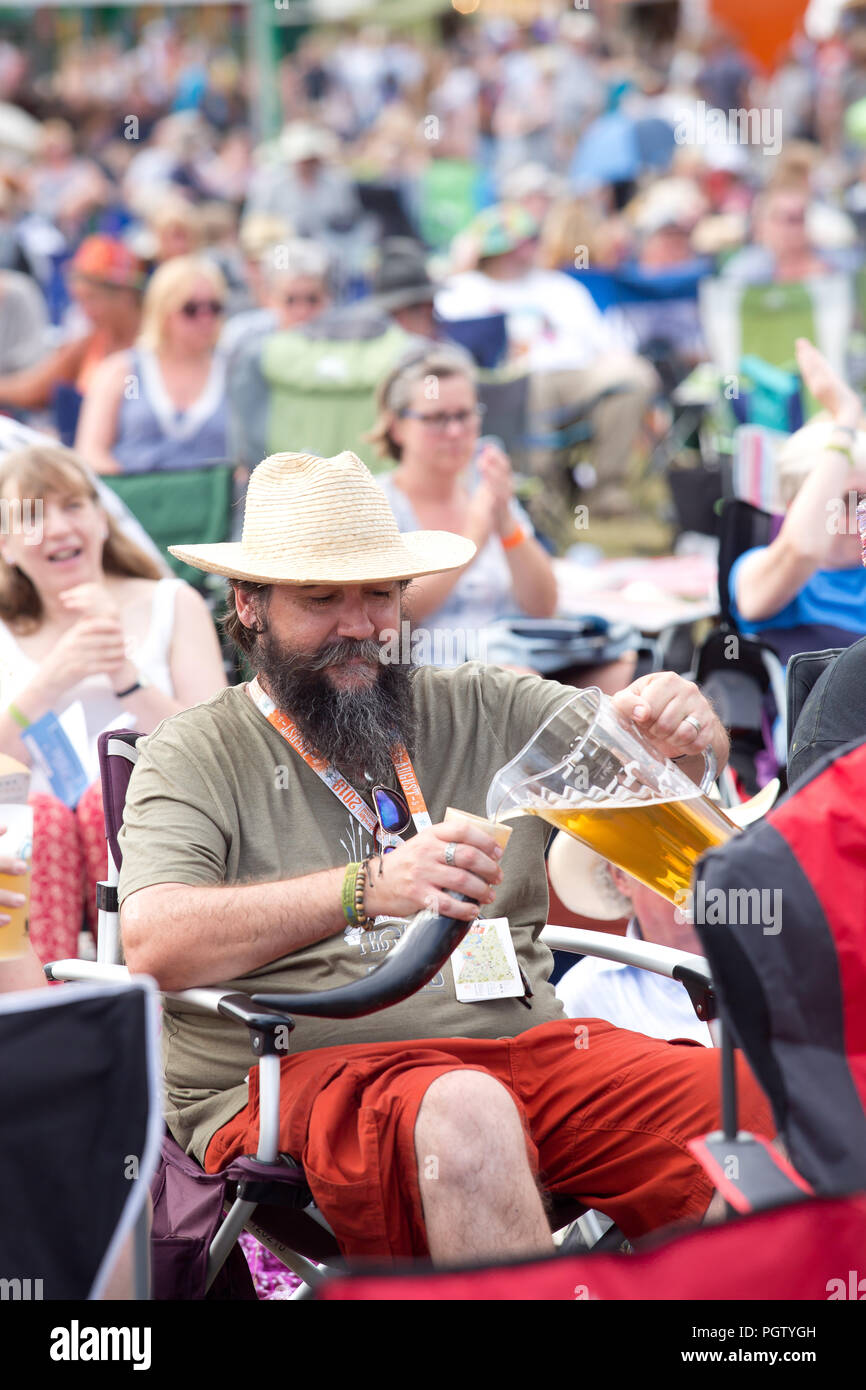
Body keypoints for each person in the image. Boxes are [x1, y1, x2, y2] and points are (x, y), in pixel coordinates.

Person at [117, 447, 771, 1267]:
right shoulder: (197, 749)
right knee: (465, 1113)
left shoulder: (485, 701)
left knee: (754, 1103)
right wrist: (366, 887)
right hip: (298, 1077)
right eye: (322, 599)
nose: (359, 626)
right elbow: (154, 943)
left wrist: (691, 732)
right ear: (248, 606)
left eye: (380, 596)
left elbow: (656, 769)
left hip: (526, 1055)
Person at [0, 443, 227, 963]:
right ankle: (44, 999)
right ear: (6, 546)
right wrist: (53, 678)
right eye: (33, 514)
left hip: (156, 817)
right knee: (42, 818)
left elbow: (218, 746)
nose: (58, 528)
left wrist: (124, 675)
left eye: (73, 506)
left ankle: (141, 972)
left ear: (102, 520)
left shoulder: (172, 602)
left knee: (106, 800)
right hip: (28, 832)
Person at [435, 203, 660, 538]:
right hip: (501, 385)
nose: (527, 249)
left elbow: (605, 342)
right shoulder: (462, 291)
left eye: (530, 240)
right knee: (530, 382)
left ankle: (607, 490)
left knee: (635, 377)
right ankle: (542, 495)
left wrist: (619, 360)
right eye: (517, 242)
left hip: (576, 376)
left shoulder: (560, 287)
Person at [369, 345, 559, 667]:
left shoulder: (485, 492)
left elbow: (543, 607)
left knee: (627, 668)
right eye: (437, 418)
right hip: (425, 674)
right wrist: (471, 542)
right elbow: (386, 616)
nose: (455, 432)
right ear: (397, 427)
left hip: (512, 660)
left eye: (464, 415)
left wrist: (507, 526)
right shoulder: (377, 504)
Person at [730, 338, 866, 664]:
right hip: (820, 714)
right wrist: (846, 416)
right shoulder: (758, 569)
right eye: (849, 500)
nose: (862, 513)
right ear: (796, 505)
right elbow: (803, 549)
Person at [74, 254, 229, 475]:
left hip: (215, 503)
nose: (205, 318)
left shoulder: (232, 372)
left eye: (214, 307)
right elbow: (90, 451)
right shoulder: (121, 370)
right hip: (134, 501)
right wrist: (136, 492)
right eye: (191, 309)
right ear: (164, 312)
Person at [0, 236, 144, 418]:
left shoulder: (153, 349)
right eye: (80, 301)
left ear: (126, 296)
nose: (86, 311)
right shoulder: (90, 343)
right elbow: (31, 390)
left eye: (92, 298)